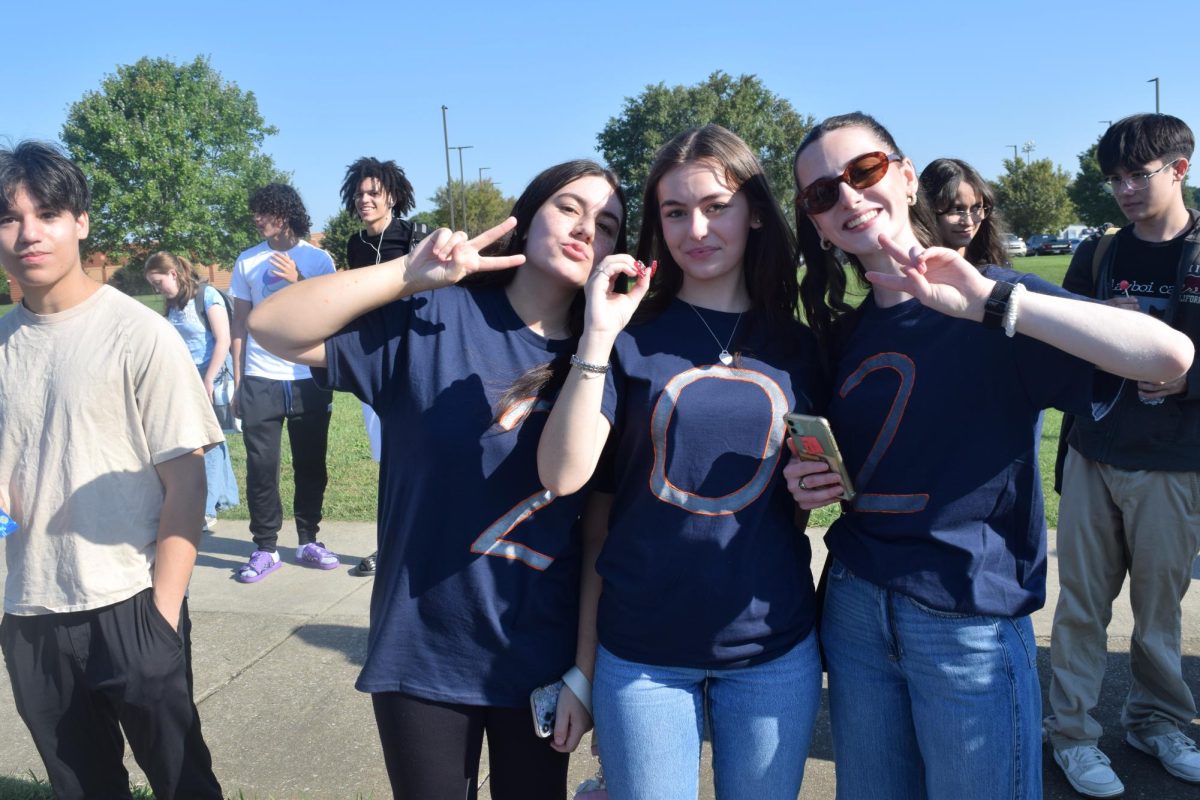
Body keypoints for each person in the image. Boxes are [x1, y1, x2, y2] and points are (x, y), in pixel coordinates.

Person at [785, 112, 1193, 800]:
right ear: (817, 223)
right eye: (823, 194)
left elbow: (1169, 356)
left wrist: (992, 300)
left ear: (907, 177)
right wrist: (808, 479)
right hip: (854, 608)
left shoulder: (994, 298)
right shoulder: (839, 332)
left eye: (864, 172)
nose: (848, 197)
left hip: (965, 618)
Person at [247, 160, 627, 799]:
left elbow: (594, 533)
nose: (587, 229)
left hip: (536, 658)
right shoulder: (433, 318)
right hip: (420, 647)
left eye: (608, 225)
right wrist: (404, 275)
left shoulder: (606, 358)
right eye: (569, 207)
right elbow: (271, 327)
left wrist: (583, 675)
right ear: (528, 215)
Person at [537, 125, 825, 800]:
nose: (696, 227)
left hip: (770, 648)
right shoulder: (628, 338)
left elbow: (832, 471)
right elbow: (572, 487)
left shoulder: (800, 345)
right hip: (642, 653)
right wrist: (600, 335)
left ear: (754, 211)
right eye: (674, 211)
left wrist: (826, 482)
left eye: (716, 205)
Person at [0, 141, 223, 799]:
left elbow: (187, 479)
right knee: (84, 787)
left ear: (82, 222)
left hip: (129, 599)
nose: (29, 233)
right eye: (10, 218)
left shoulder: (137, 333)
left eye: (48, 213)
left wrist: (162, 615)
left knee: (184, 785)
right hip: (29, 608)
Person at [1044, 113, 1200, 797]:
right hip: (1093, 454)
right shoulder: (1098, 255)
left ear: (1180, 169)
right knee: (1080, 605)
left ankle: (1157, 722)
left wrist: (1189, 376)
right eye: (1115, 179)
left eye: (1139, 174)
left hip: (1175, 462)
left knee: (1159, 609)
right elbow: (1061, 347)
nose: (1126, 190)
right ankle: (1072, 735)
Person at [229, 183, 338, 582]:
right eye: (255, 212)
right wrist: (238, 381)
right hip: (260, 375)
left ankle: (309, 540)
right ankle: (265, 548)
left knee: (311, 463)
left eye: (265, 212)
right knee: (262, 466)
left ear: (285, 213)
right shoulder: (247, 262)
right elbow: (239, 323)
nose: (257, 219)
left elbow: (330, 314)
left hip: (307, 376)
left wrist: (298, 280)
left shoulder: (317, 258)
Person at [339, 156, 417, 576]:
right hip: (373, 367)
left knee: (420, 455)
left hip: (415, 363)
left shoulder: (413, 237)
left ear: (393, 196)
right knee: (386, 461)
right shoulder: (355, 245)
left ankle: (421, 540)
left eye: (373, 193)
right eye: (360, 193)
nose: (364, 199)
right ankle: (387, 545)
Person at [144, 251, 240, 529]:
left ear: (173, 274)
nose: (157, 288)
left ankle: (206, 509)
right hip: (184, 377)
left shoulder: (207, 297)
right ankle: (219, 500)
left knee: (206, 442)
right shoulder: (173, 304)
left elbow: (223, 340)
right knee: (204, 441)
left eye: (158, 281)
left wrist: (208, 379)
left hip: (209, 375)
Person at [918, 157, 1009, 267]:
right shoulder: (909, 272)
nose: (969, 222)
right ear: (927, 208)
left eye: (976, 208)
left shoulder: (996, 271)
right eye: (957, 209)